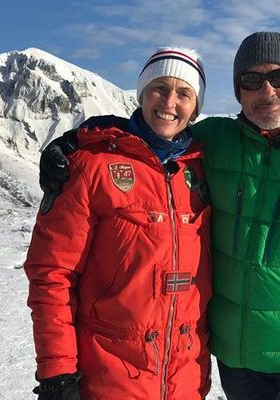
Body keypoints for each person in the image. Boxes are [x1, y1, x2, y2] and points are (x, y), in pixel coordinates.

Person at [40, 32, 280, 400]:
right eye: (251, 80)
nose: (267, 91)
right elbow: (158, 133)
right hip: (236, 358)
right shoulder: (215, 140)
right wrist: (78, 141)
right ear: (237, 92)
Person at [25, 47, 213, 400]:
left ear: (197, 107)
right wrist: (57, 372)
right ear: (142, 93)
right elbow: (52, 272)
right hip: (109, 379)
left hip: (185, 380)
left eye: (184, 93)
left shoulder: (202, 168)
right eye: (159, 88)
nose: (169, 102)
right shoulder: (91, 164)